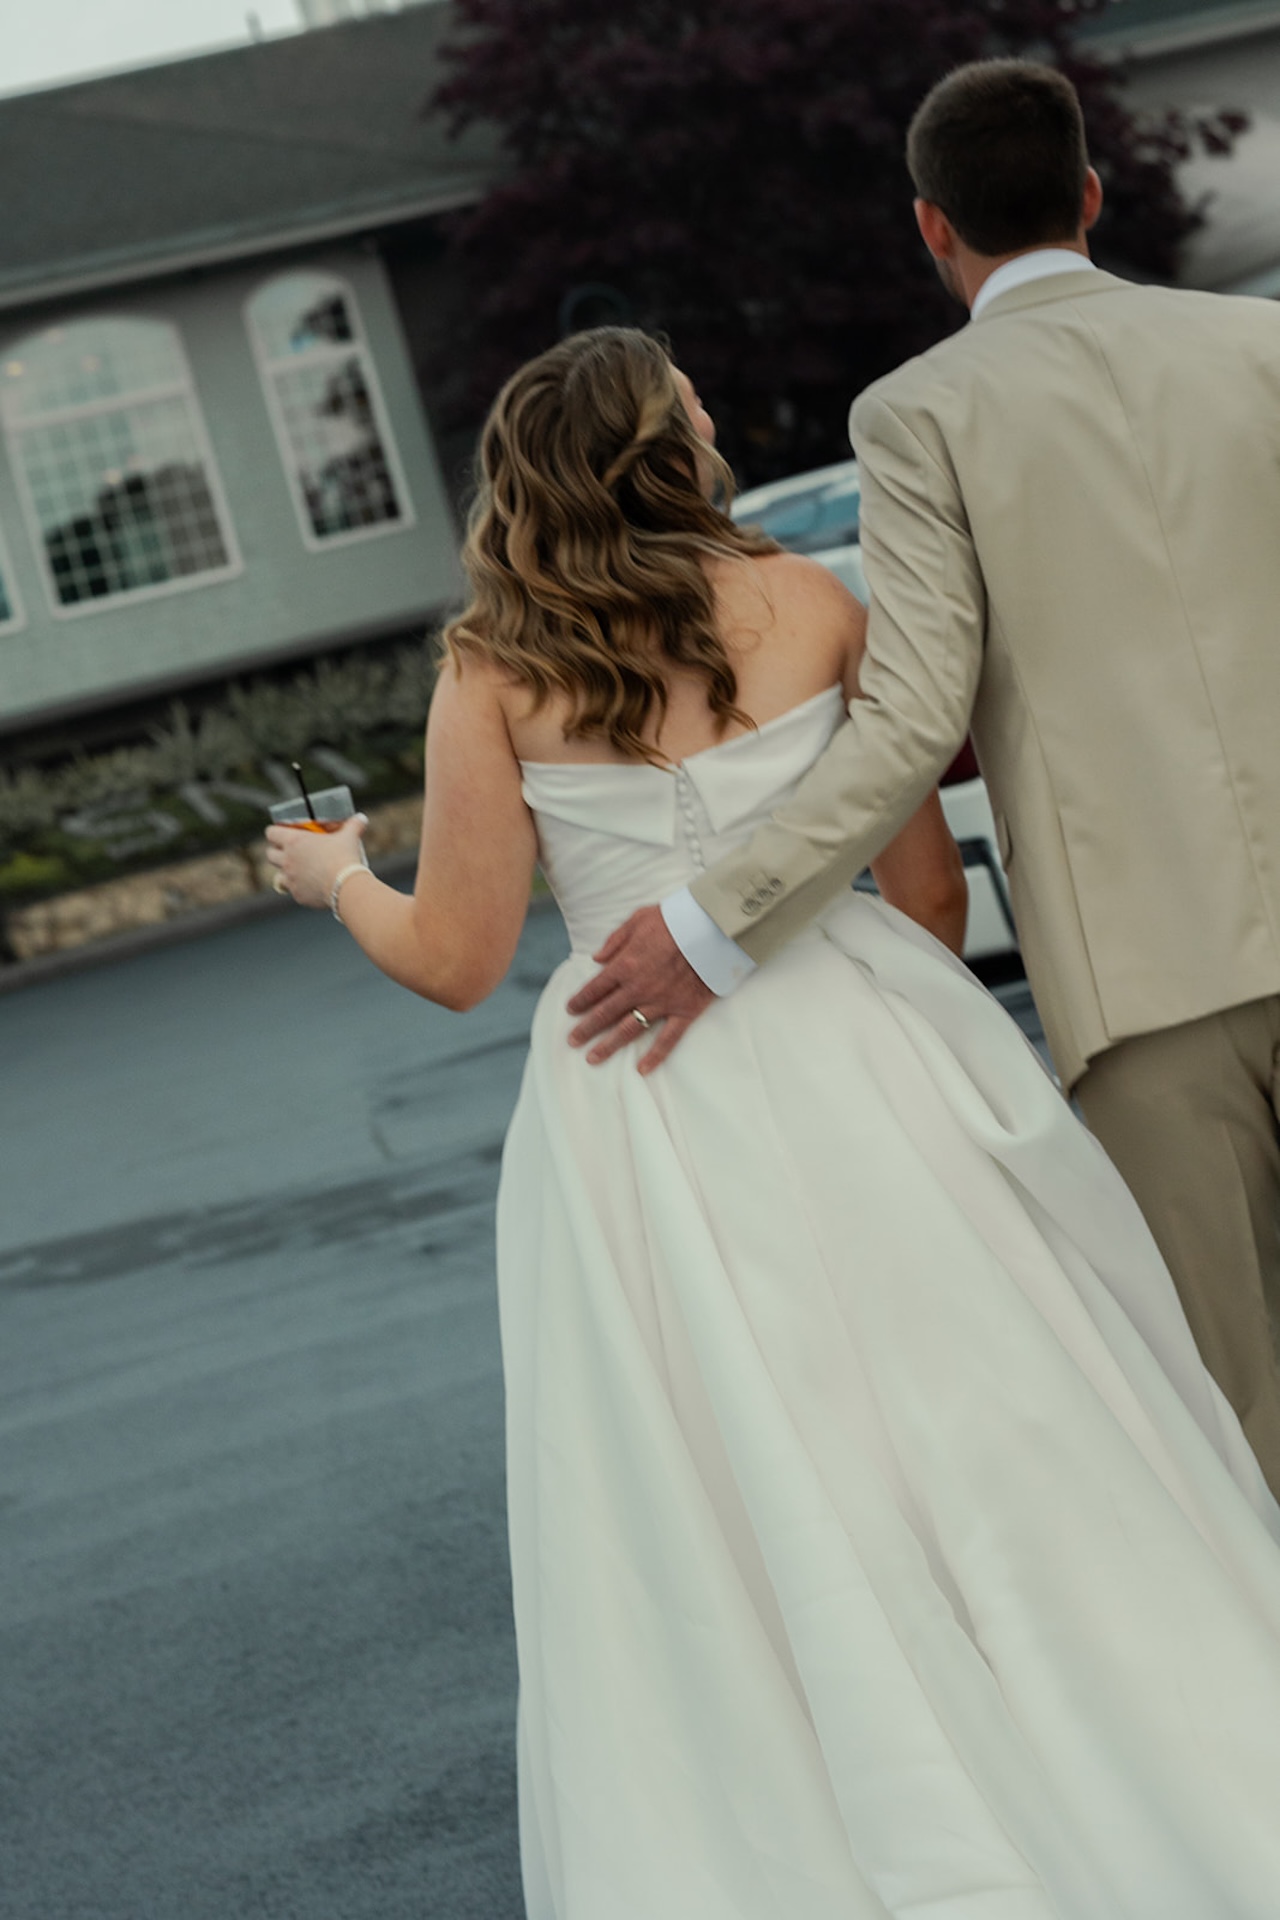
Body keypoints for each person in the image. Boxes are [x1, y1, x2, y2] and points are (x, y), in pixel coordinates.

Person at [268, 325, 1280, 1917]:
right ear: (665, 443)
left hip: (648, 1107)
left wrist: (335, 880)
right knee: (997, 1405)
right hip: (867, 1035)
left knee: (749, 1464)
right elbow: (924, 881)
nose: (718, 412)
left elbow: (457, 961)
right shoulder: (813, 604)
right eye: (693, 400)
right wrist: (882, 1011)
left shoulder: (495, 668)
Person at [566, 58, 1280, 1503]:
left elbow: (904, 721)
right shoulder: (1258, 346)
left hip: (1145, 988)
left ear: (929, 227)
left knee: (1249, 1417)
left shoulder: (915, 414)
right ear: (1091, 192)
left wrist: (716, 924)